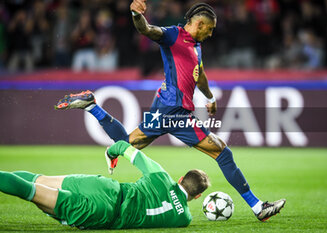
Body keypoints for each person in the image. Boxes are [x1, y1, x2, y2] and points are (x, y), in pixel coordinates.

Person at [55, 1, 285, 221]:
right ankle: (257, 207)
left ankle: (92, 106)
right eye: (210, 29)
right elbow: (147, 30)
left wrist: (210, 96)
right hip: (174, 111)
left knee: (126, 144)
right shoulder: (173, 35)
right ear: (200, 24)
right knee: (222, 153)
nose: (212, 33)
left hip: (166, 107)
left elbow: (200, 74)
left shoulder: (197, 46)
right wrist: (136, 15)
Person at [0, 140, 209, 229]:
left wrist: (111, 155)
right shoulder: (184, 219)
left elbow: (123, 146)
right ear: (198, 196)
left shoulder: (161, 176)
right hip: (103, 213)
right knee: (32, 193)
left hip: (106, 187)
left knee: (38, 179)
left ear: (181, 179)